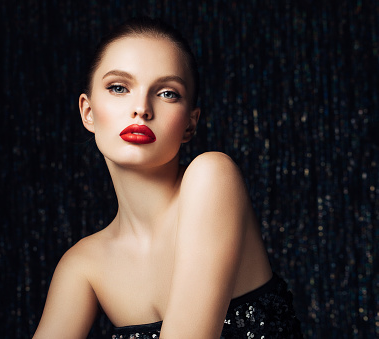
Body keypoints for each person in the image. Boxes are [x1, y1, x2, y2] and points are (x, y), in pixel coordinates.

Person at [33, 17, 302, 338]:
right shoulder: (83, 265)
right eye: (119, 87)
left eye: (166, 93)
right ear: (88, 112)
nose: (141, 109)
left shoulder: (212, 176)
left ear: (190, 123)